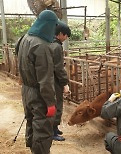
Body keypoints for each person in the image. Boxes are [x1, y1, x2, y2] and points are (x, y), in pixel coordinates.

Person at [17, 10, 59, 154]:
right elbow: (45, 79)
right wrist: (50, 102)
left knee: (31, 120)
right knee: (42, 126)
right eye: (54, 26)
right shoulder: (42, 46)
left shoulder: (24, 39)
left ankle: (33, 149)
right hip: (39, 93)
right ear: (48, 25)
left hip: (26, 89)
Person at [50, 21, 71, 141]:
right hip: (55, 80)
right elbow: (58, 67)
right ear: (61, 34)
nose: (66, 38)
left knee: (54, 103)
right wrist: (65, 83)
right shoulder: (56, 46)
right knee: (57, 104)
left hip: (50, 79)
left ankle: (55, 128)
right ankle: (53, 131)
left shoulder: (50, 42)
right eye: (66, 35)